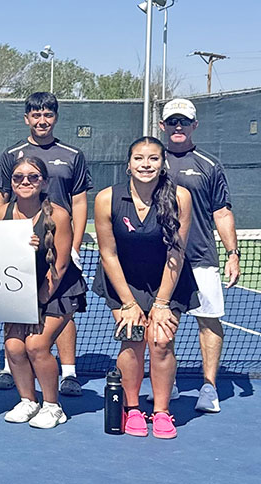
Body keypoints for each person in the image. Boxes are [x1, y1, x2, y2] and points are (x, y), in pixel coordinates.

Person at [92, 136, 197, 439]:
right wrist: (127, 303)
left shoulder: (180, 197)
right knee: (133, 338)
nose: (146, 165)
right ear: (128, 164)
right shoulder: (106, 199)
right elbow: (108, 253)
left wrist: (162, 302)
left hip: (169, 279)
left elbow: (176, 253)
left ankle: (162, 412)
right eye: (139, 158)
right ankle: (133, 409)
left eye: (153, 158)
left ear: (163, 164)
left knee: (161, 341)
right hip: (125, 281)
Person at [0, 92, 91, 396]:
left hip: (57, 245)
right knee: (18, 331)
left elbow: (80, 201)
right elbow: (0, 201)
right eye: (36, 115)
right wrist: (7, 241)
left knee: (55, 309)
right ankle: (16, 376)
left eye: (47, 114)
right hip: (22, 253)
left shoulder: (72, 155)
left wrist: (73, 245)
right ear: (27, 118)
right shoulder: (12, 155)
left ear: (55, 118)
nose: (41, 120)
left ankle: (68, 374)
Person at [158, 98, 239, 413]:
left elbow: (222, 212)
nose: (178, 127)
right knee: (165, 322)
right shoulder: (151, 161)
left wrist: (232, 253)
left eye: (184, 122)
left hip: (201, 257)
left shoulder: (209, 165)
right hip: (162, 260)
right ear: (163, 126)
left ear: (194, 126)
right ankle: (169, 382)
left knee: (209, 321)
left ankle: (208, 387)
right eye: (173, 121)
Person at [0, 158, 87, 429]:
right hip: (19, 292)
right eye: (18, 177)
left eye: (33, 177)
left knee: (36, 345)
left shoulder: (58, 215)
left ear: (44, 182)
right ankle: (28, 400)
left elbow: (59, 267)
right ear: (11, 183)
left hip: (58, 291)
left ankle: (52, 405)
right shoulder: (0, 212)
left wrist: (34, 305)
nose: (25, 182)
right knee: (13, 347)